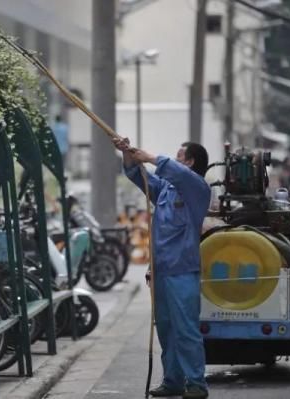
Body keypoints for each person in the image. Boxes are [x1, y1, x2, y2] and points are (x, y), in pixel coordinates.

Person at [113, 137, 210, 399]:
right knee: (166, 327)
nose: (175, 160)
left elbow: (172, 169)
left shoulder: (197, 189)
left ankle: (197, 384)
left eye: (180, 156)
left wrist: (150, 156)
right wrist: (128, 155)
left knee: (186, 329)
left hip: (183, 271)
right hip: (162, 270)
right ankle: (173, 380)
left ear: (190, 162)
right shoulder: (166, 189)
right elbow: (139, 176)